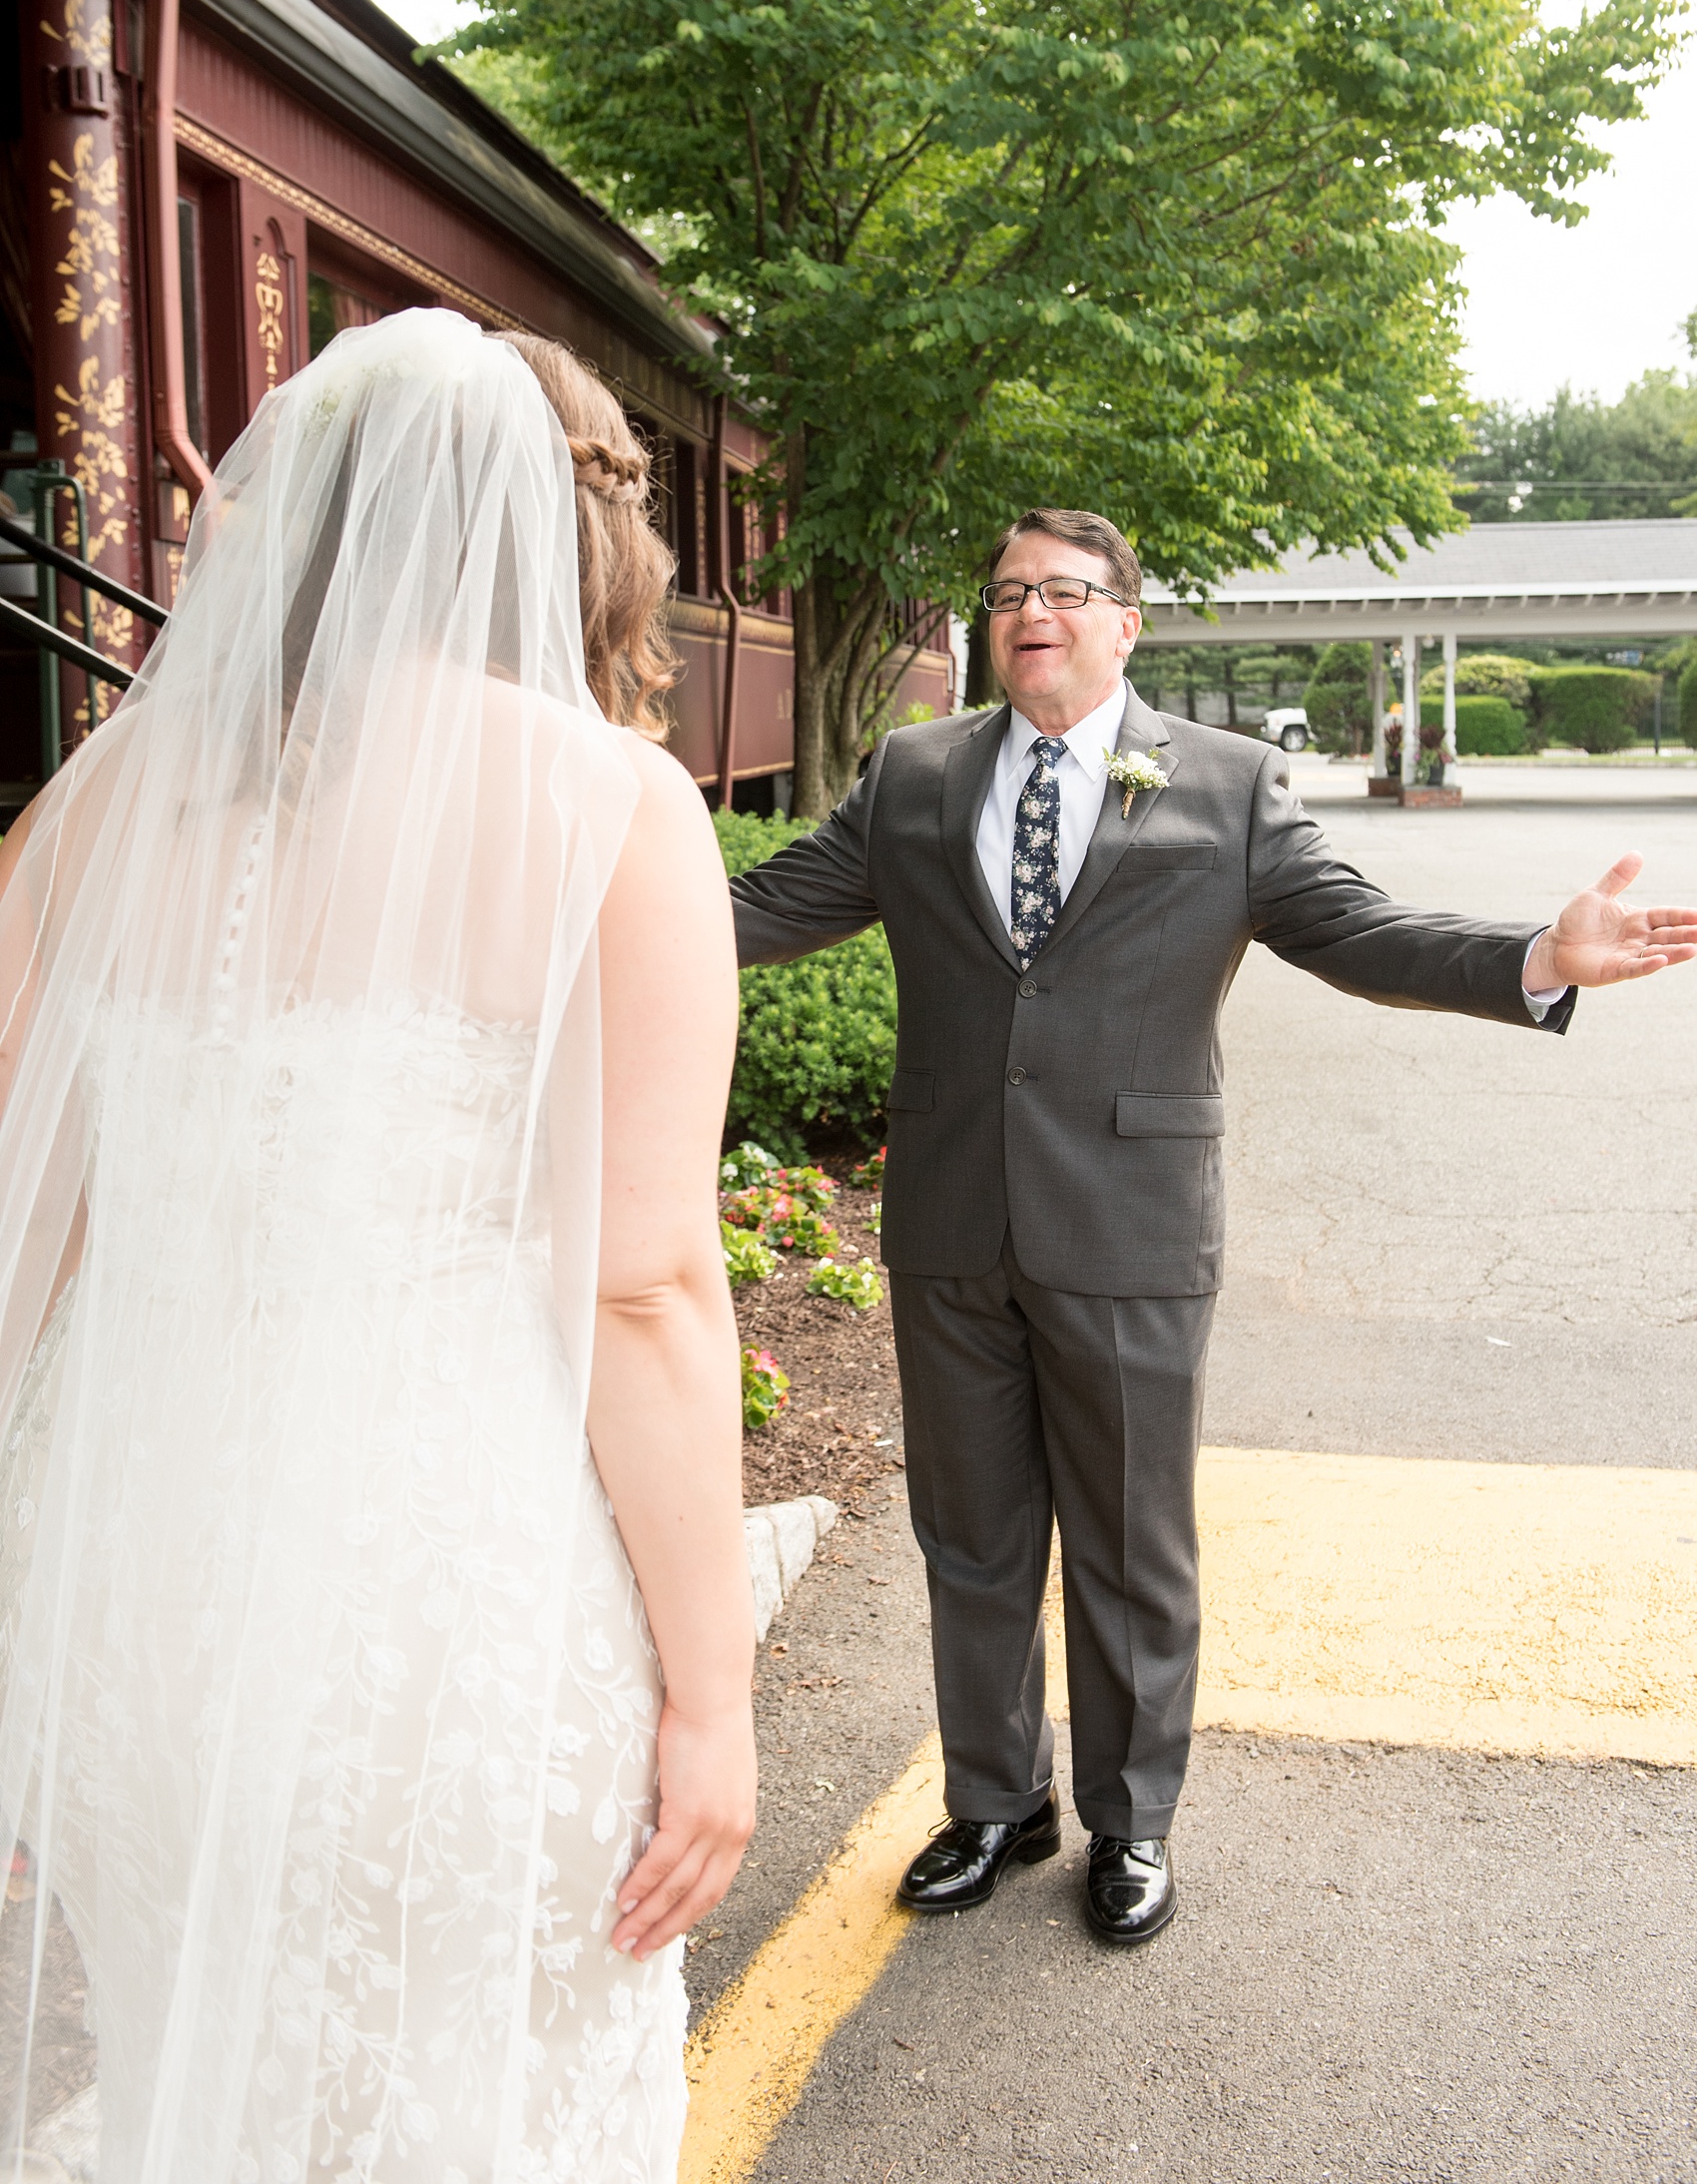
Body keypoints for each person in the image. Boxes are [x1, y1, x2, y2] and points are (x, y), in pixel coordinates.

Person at [0, 310, 755, 2178]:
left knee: (217, 2081)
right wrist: (714, 1695)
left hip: (139, 1613)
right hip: (444, 1607)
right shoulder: (612, 806)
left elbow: (33, 1238)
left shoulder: (86, 813)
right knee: (482, 2101)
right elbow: (646, 1286)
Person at [728, 506, 1697, 1950]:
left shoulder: (1230, 784)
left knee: (1130, 1539)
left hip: (1129, 1223)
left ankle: (1130, 1822)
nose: (1029, 612)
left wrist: (1535, 959)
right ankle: (996, 1802)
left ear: (1128, 620)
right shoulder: (916, 774)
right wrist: (578, 889)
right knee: (972, 1538)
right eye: (1005, 593)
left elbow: (1358, 932)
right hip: (950, 1221)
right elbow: (756, 907)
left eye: (1062, 590)